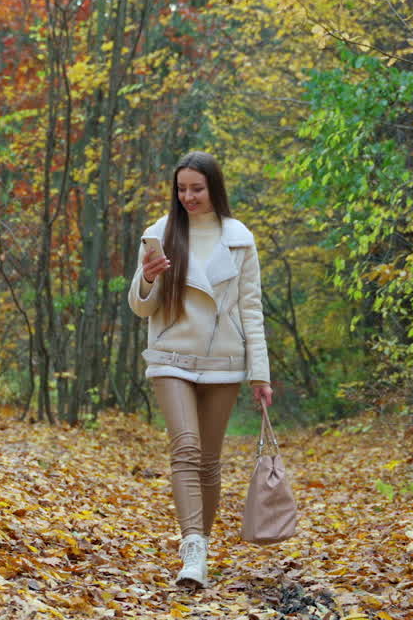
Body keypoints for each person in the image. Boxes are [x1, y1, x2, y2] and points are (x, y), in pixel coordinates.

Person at [128, 151, 273, 589]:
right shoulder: (160, 233)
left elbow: (251, 310)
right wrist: (149, 279)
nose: (187, 196)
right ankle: (192, 548)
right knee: (186, 447)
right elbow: (140, 307)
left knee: (209, 462)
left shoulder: (239, 238)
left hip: (224, 360)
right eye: (181, 188)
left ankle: (202, 544)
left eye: (197, 188)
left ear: (214, 188)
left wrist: (260, 374)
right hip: (171, 354)